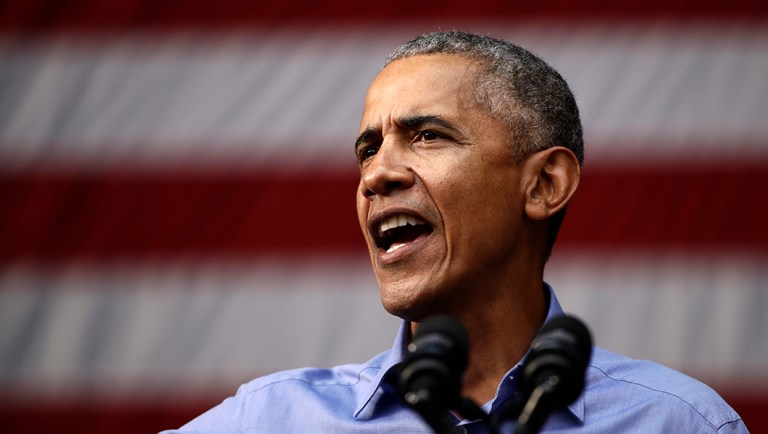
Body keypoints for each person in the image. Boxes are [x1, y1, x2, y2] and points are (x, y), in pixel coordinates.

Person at [163, 31, 747, 433]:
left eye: (428, 135)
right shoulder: (268, 421)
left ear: (545, 184)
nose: (378, 174)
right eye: (368, 149)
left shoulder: (680, 422)